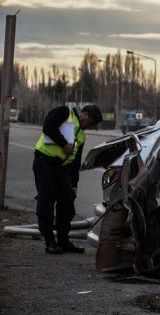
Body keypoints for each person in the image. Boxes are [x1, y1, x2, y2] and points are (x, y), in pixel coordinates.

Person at [33, 104, 102, 254]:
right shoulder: (65, 112)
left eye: (92, 125)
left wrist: (74, 184)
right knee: (47, 202)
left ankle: (63, 241)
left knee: (67, 204)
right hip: (45, 162)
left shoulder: (82, 136)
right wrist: (64, 144)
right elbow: (48, 127)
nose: (89, 126)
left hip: (62, 169)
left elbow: (76, 162)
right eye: (90, 122)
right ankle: (50, 242)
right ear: (84, 113)